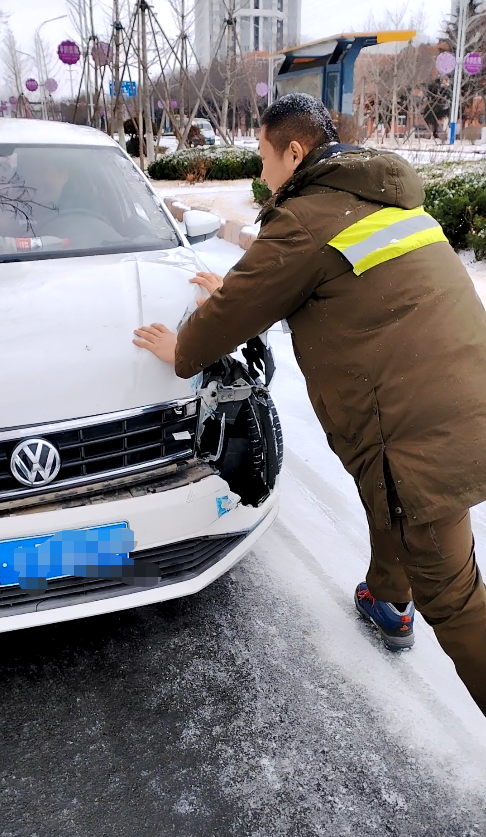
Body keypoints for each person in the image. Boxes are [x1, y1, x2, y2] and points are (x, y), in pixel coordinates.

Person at [133, 93, 486, 717]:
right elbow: (323, 280)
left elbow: (236, 314)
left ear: (294, 152)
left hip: (418, 431)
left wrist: (180, 347)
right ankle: (387, 597)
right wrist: (240, 291)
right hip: (464, 394)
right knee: (392, 501)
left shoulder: (301, 218)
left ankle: (403, 599)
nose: (261, 174)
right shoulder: (375, 193)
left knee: (457, 599)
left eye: (265, 158)